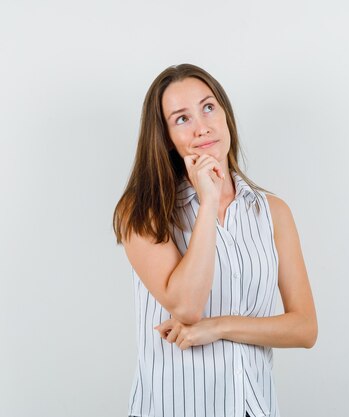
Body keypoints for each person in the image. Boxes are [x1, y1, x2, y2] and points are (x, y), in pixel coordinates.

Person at [113, 63, 317, 417]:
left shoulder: (272, 212)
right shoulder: (143, 211)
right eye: (182, 118)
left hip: (254, 408)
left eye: (208, 107)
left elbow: (304, 328)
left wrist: (217, 327)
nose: (202, 126)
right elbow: (187, 306)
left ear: (225, 114)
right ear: (166, 137)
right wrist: (206, 202)